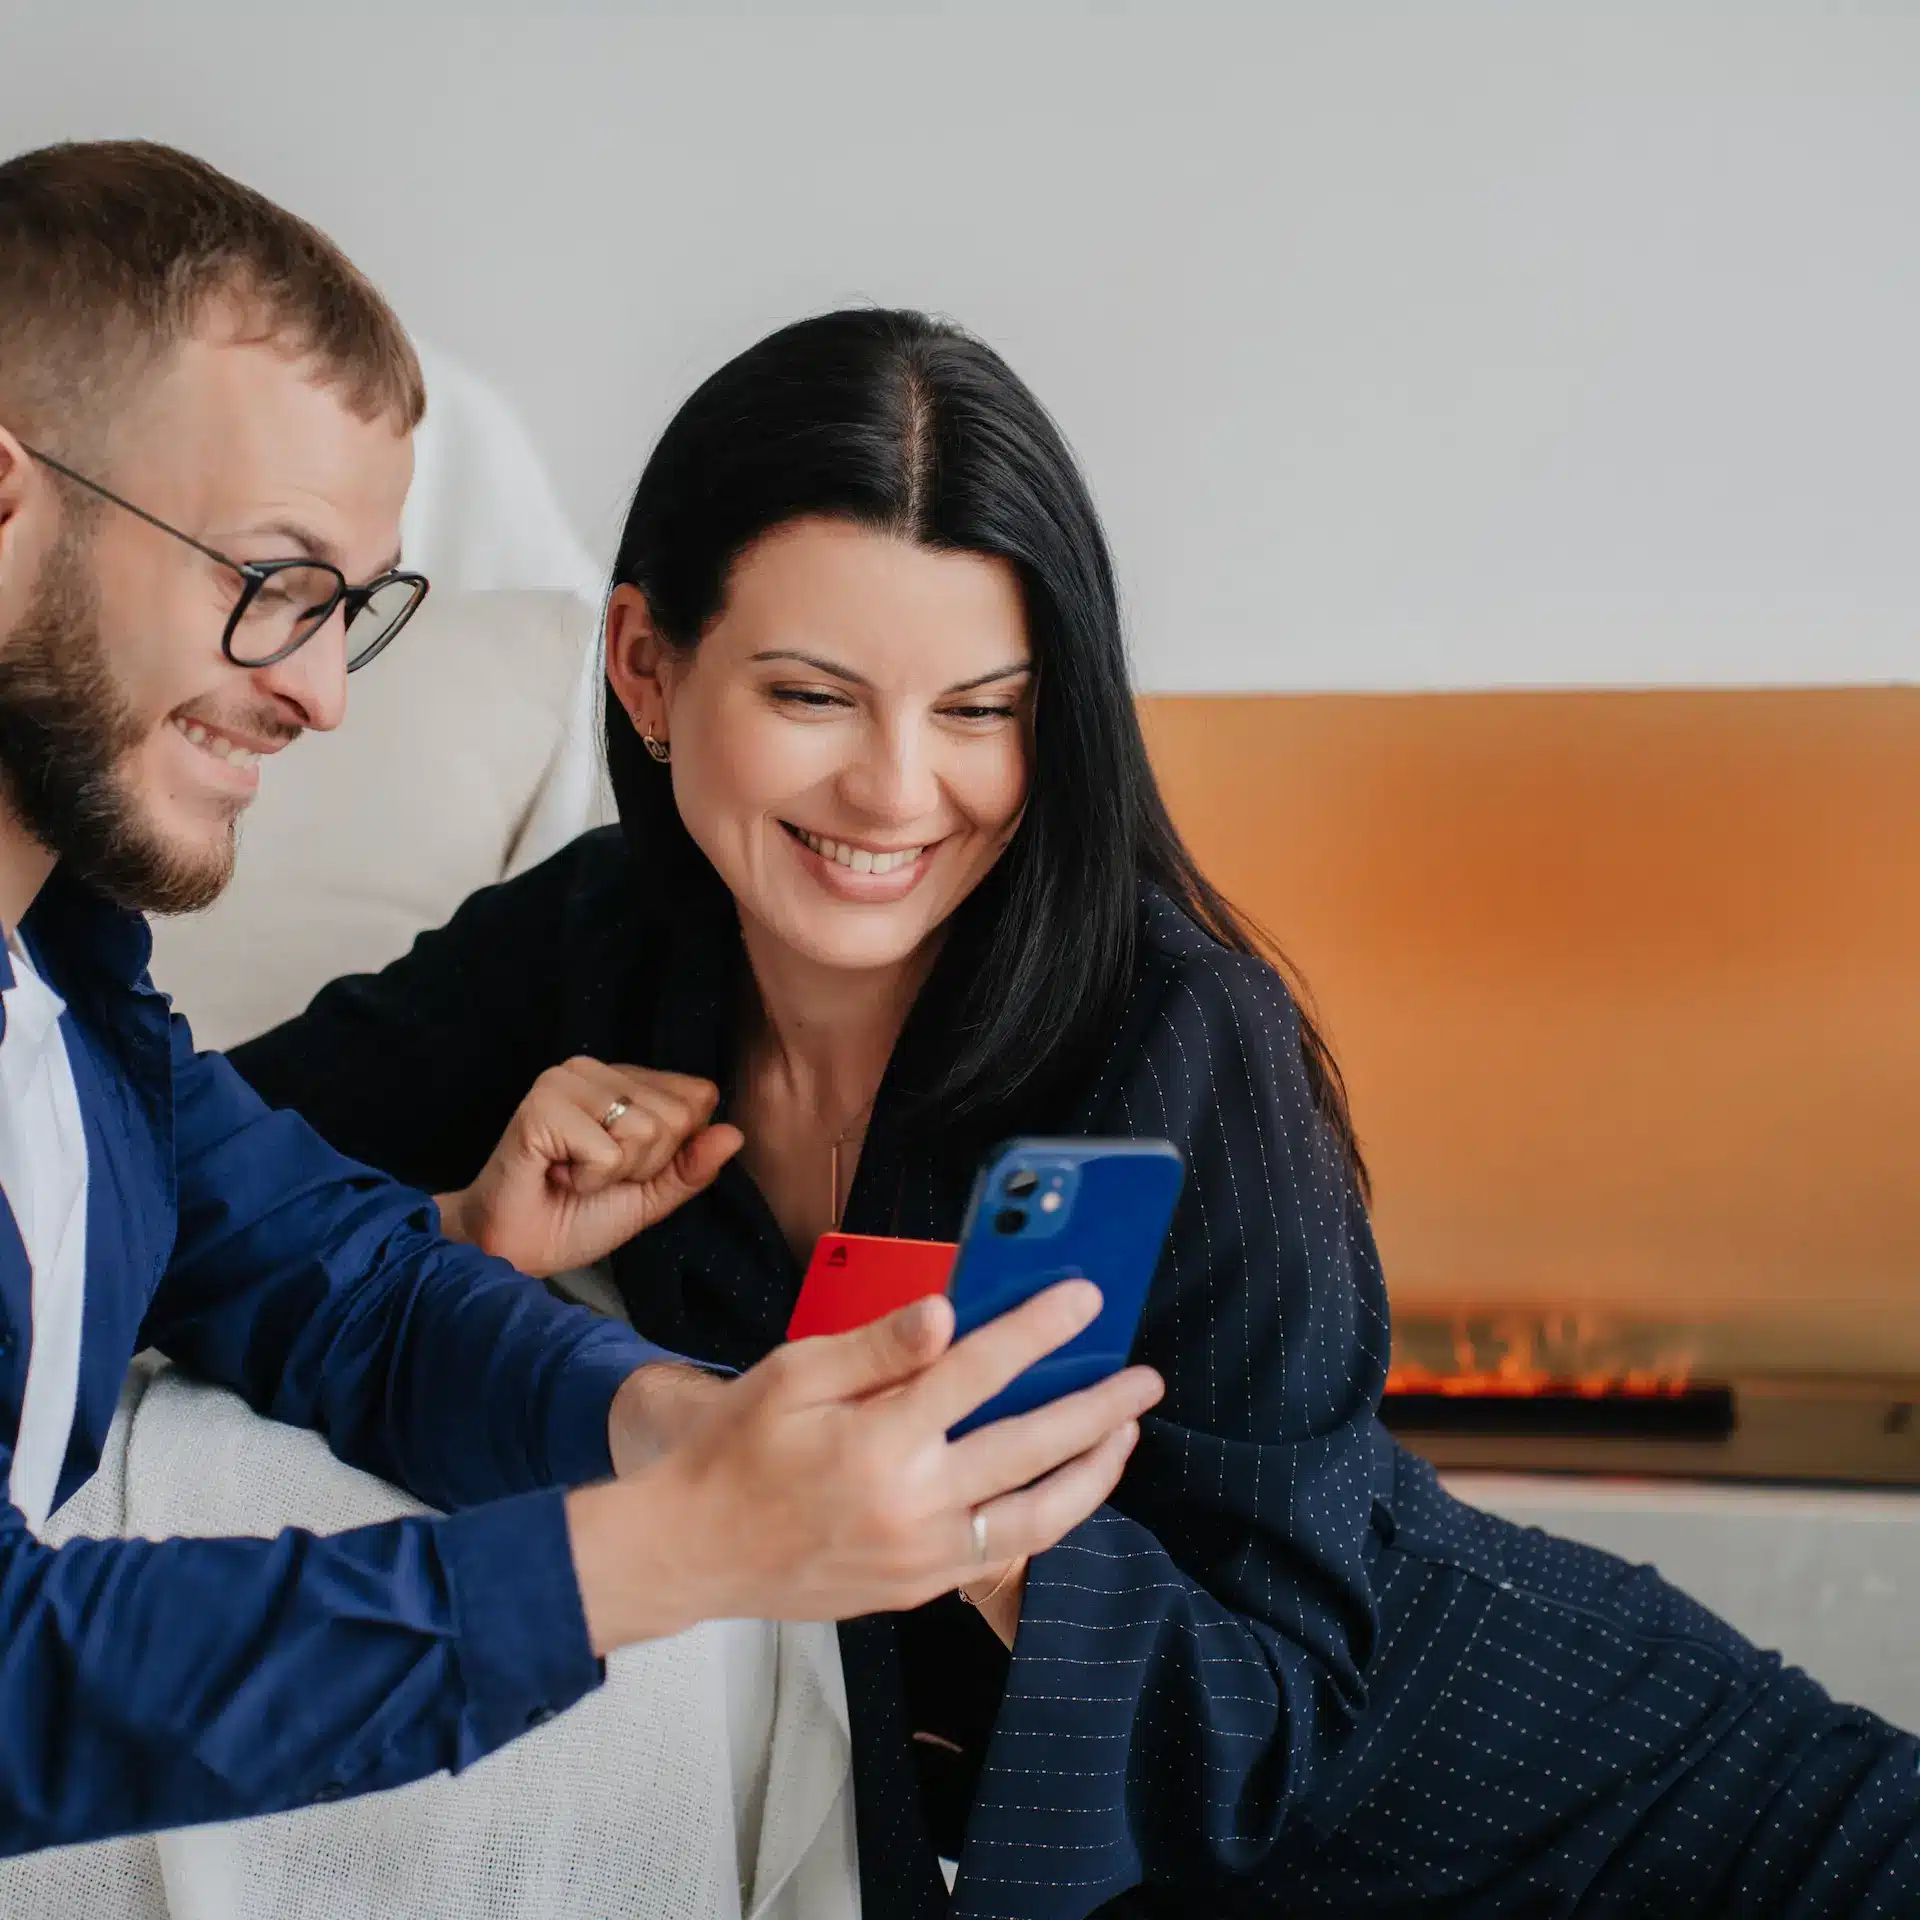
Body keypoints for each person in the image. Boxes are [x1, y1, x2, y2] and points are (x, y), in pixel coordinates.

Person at [237, 303, 1920, 1920]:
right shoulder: (597, 949)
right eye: (812, 697)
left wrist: (953, 1520)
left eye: (983, 710)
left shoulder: (1182, 1035)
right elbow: (188, 1169)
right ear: (647, 667)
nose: (898, 790)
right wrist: (462, 1232)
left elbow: (1278, 1723)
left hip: (1594, 1810)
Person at [0, 142, 1162, 1860]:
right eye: (272, 583)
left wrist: (698, 1428)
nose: (323, 695)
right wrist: (677, 1547)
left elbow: (337, 1277)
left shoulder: (80, 992)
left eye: (349, 611)